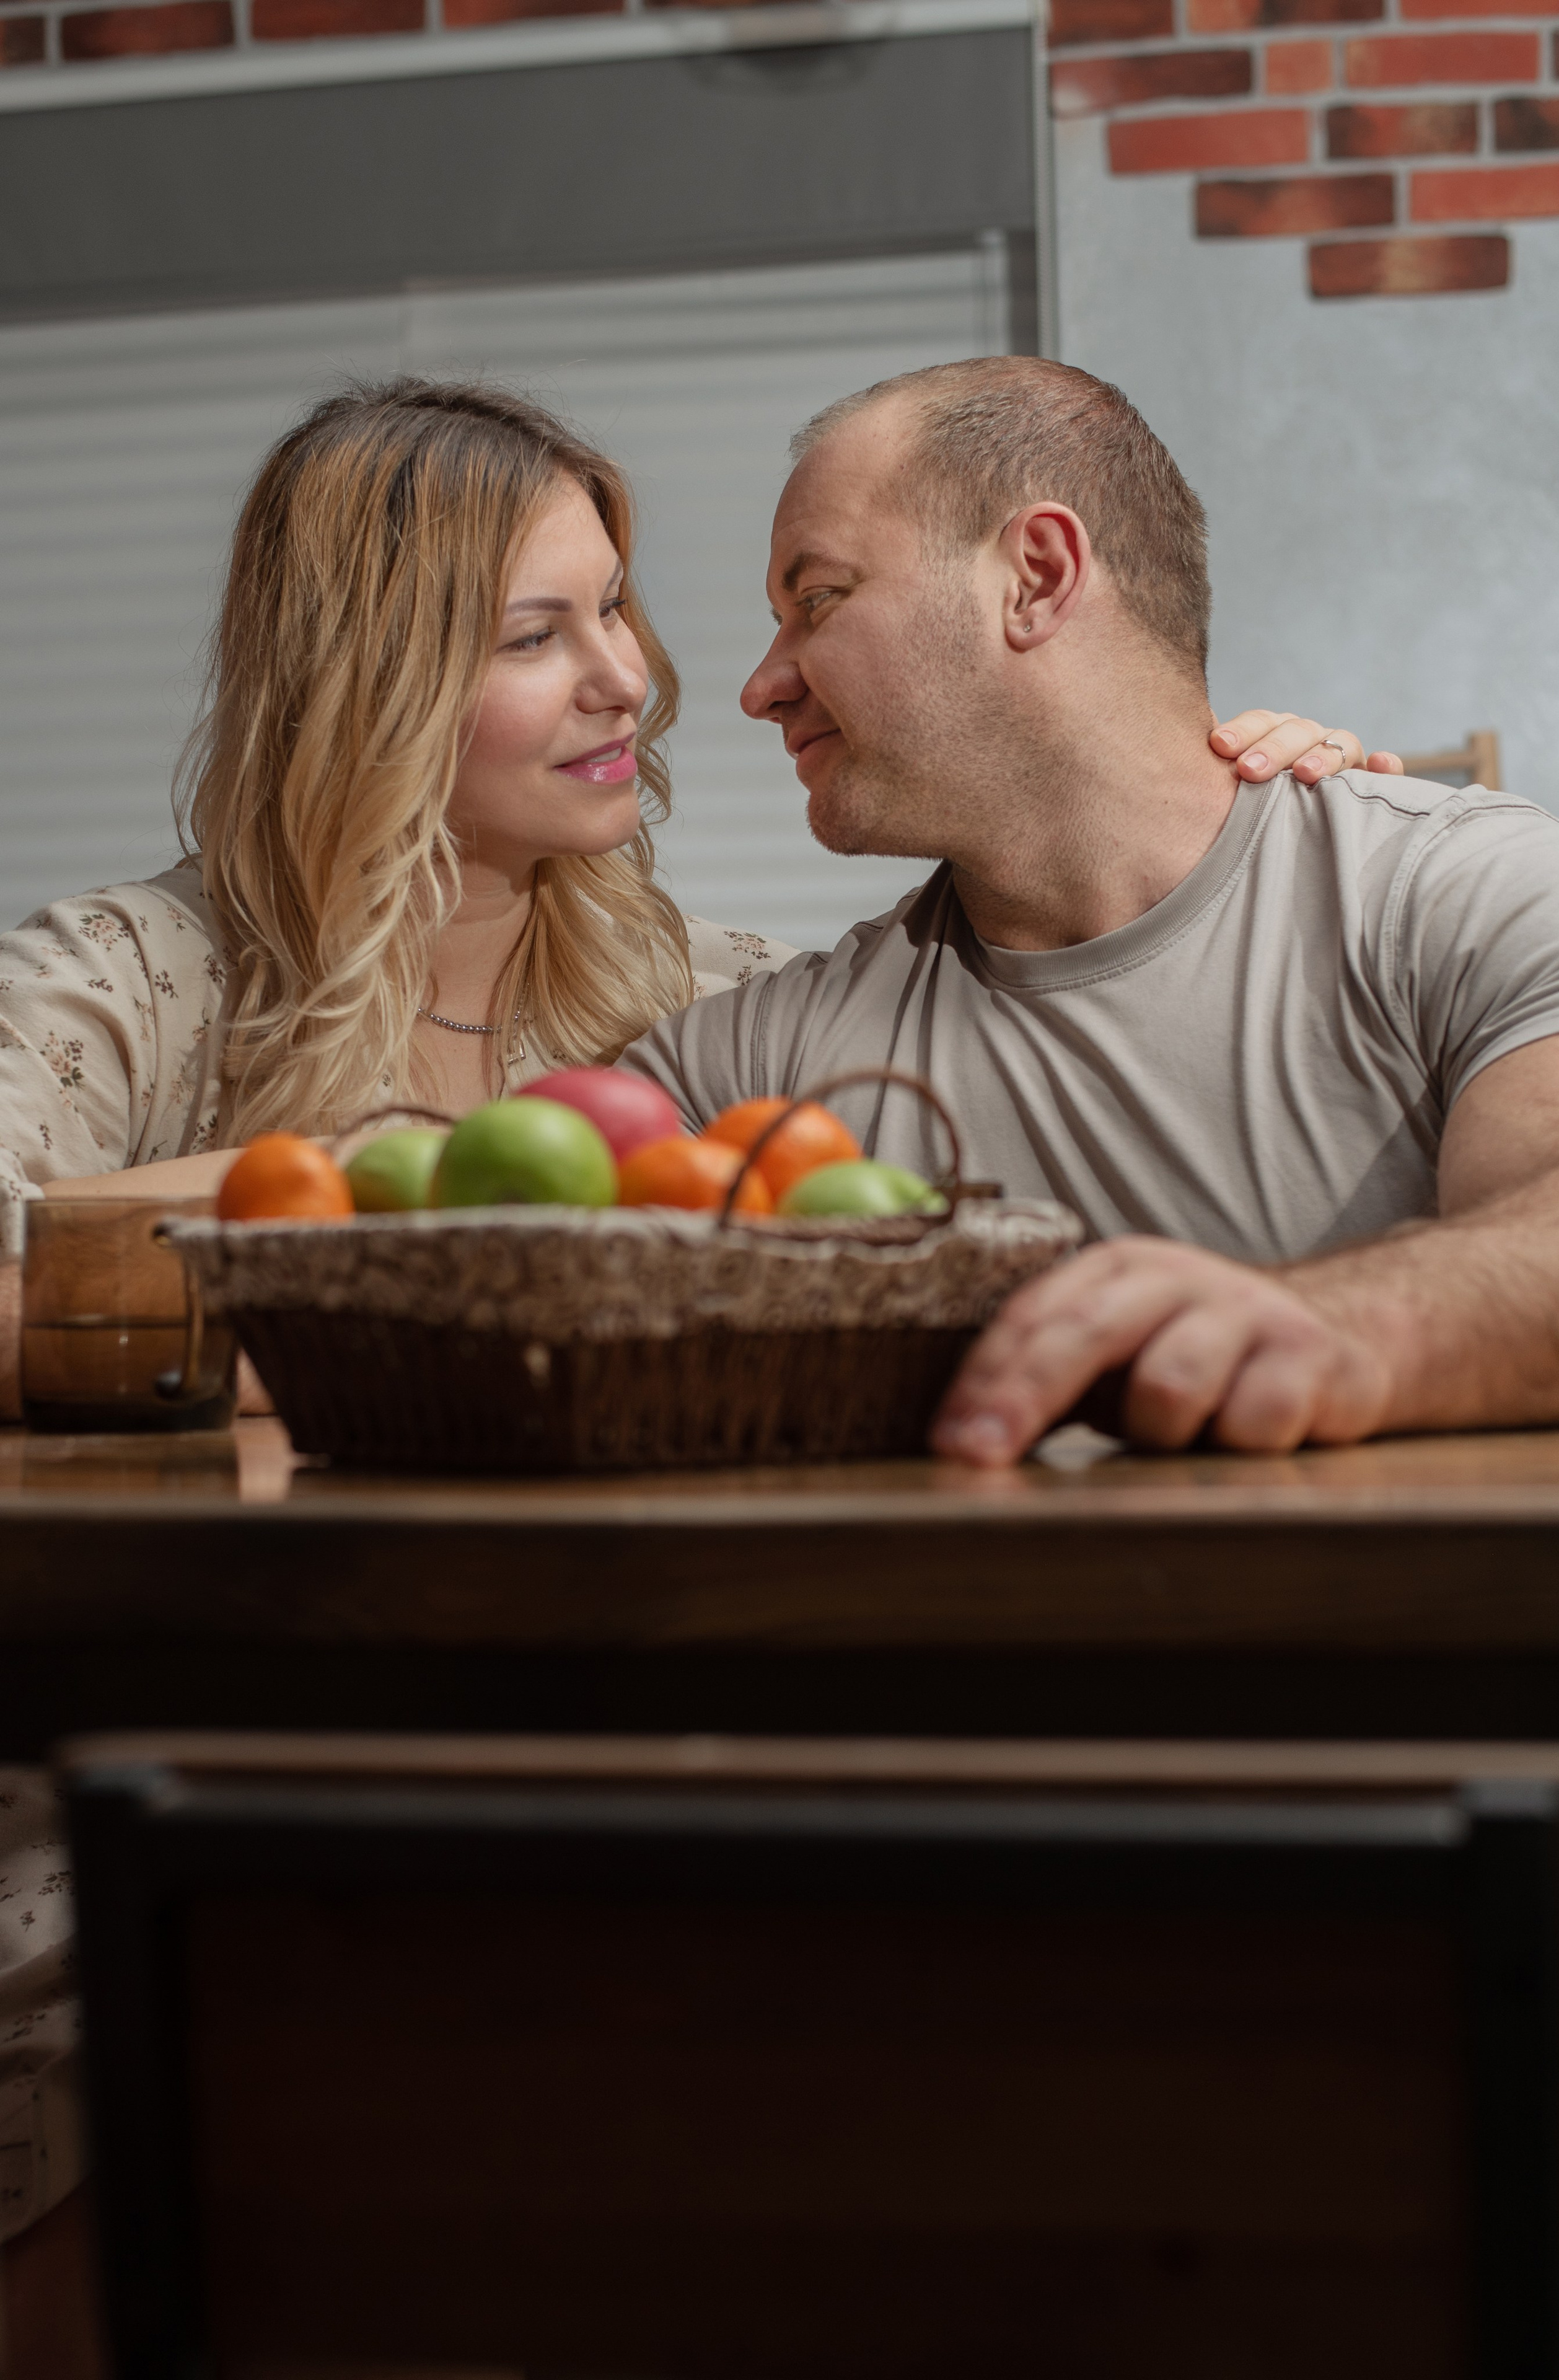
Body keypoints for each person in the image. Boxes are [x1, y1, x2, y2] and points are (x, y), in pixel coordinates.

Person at [0, 371, 1369, 2371]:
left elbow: (1067, 978)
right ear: (367, 684)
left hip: (594, 1742)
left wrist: (1235, 809)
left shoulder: (712, 1005)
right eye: (535, 635)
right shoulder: (128, 985)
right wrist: (338, 1241)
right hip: (184, 1739)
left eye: (619, 609)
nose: (630, 678)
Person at [621, 353, 1559, 1465]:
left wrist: (1340, 1327)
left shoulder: (1466, 895)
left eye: (819, 600)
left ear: (1036, 577)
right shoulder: (744, 1071)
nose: (761, 686)